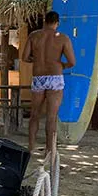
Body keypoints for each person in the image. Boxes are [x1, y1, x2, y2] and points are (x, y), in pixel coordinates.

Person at [22, 11, 76, 155]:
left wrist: (38, 60)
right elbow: (72, 62)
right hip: (55, 77)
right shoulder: (63, 38)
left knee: (35, 114)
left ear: (44, 21)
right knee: (52, 117)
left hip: (38, 77)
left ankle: (31, 146)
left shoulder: (34, 36)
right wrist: (61, 65)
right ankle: (49, 149)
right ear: (57, 23)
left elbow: (25, 57)